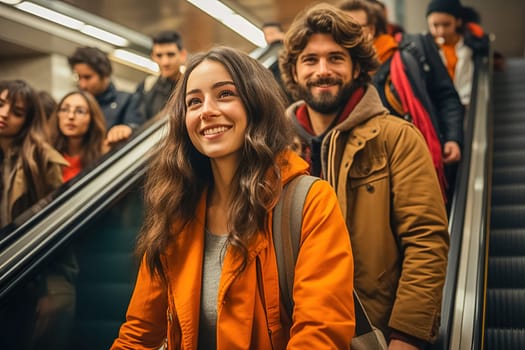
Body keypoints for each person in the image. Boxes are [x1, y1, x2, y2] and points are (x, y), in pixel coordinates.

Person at [111, 46, 355, 349]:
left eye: (225, 94)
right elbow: (140, 331)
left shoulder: (310, 201)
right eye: (194, 102)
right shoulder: (177, 209)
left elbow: (321, 333)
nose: (207, 110)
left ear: (256, 104)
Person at [279, 3, 449, 349]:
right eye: (310, 60)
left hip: (373, 331)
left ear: (357, 67)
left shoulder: (396, 137)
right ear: (294, 72)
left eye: (336, 58)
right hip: (292, 332)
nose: (322, 70)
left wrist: (408, 335)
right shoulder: (274, 146)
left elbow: (426, 239)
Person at [339, 0, 464, 202]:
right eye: (342, 28)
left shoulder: (413, 48)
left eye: (356, 27)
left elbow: (446, 96)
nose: (348, 33)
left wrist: (453, 137)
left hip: (421, 155)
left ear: (371, 28)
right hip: (377, 171)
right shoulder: (344, 71)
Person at [0, 79, 76, 350]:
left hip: (22, 277)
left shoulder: (41, 160)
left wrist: (55, 289)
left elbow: (58, 230)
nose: (4, 114)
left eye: (17, 112)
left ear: (28, 120)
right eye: (0, 104)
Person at [68, 46, 141, 147]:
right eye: (79, 77)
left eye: (87, 77)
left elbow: (136, 130)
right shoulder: (77, 103)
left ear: (105, 74)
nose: (82, 84)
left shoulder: (128, 100)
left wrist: (127, 129)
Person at [426, 0, 489, 106]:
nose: (441, 31)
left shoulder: (472, 45)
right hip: (441, 107)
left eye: (446, 24)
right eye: (435, 25)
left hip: (467, 104)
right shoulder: (426, 49)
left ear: (458, 21)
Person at [129, 30, 187, 122]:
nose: (165, 62)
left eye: (170, 55)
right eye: (159, 55)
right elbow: (137, 120)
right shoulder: (147, 86)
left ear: (183, 55)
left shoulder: (190, 85)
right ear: (153, 57)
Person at [51, 90, 108, 182]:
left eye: (80, 111)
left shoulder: (103, 153)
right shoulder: (45, 153)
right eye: (65, 109)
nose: (70, 116)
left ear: (92, 118)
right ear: (57, 114)